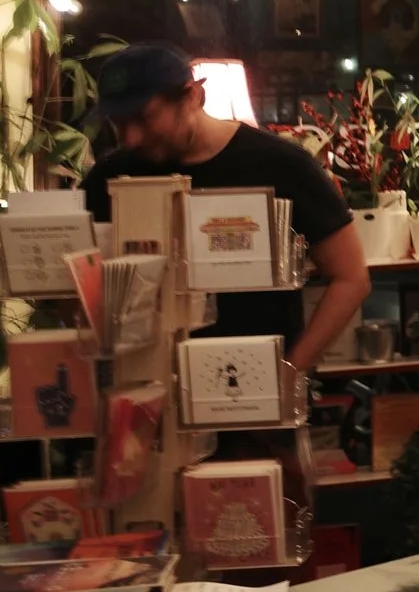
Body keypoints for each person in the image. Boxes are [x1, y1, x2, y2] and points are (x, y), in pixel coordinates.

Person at [81, 42, 369, 373]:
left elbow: (351, 278)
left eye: (143, 118)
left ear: (192, 97)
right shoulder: (110, 175)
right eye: (118, 123)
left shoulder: (282, 165)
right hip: (145, 392)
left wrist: (289, 373)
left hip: (251, 387)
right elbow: (78, 280)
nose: (130, 138)